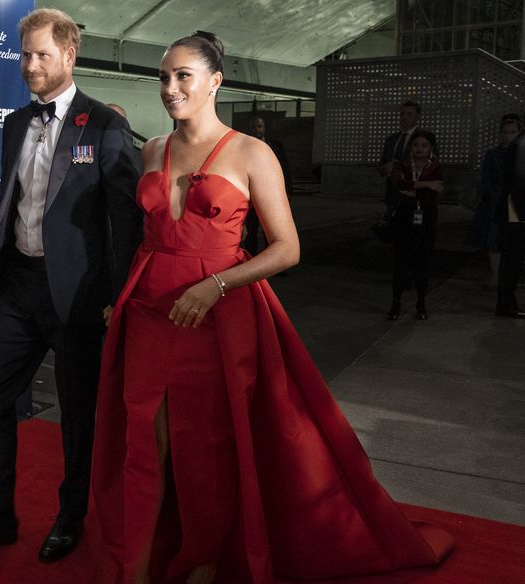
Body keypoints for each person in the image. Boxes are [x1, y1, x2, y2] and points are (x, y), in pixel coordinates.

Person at [91, 32, 454, 584]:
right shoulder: (152, 150)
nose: (169, 87)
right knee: (143, 445)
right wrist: (122, 298)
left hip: (214, 319)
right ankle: (137, 568)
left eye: (182, 75)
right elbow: (148, 240)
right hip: (148, 311)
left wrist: (216, 285)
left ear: (214, 81)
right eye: (163, 77)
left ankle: (204, 564)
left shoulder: (251, 152)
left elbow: (287, 248)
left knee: (204, 451)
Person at [0, 8, 142, 562]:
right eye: (24, 55)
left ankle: (70, 517)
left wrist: (117, 297)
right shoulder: (12, 123)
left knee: (77, 415)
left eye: (41, 56)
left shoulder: (103, 125)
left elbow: (125, 221)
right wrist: (1, 276)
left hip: (79, 297)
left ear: (69, 56)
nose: (29, 66)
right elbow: (14, 206)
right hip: (21, 288)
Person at [387, 130, 444, 321]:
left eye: (424, 145)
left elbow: (434, 193)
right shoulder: (401, 164)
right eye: (416, 145)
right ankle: (395, 303)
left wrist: (415, 187)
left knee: (423, 262)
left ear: (431, 148)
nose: (419, 149)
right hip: (404, 218)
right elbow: (400, 185)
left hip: (426, 219)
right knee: (400, 262)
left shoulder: (436, 167)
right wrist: (426, 185)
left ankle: (421, 303)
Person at [467, 115, 522, 288]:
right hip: (495, 202)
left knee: (513, 242)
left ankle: (508, 277)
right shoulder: (493, 154)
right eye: (505, 132)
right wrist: (496, 197)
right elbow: (486, 179)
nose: (508, 135)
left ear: (519, 133)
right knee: (494, 241)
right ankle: (495, 276)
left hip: (517, 203)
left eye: (512, 132)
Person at [242, 115, 292, 256]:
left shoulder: (275, 145)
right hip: (250, 196)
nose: (256, 129)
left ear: (264, 128)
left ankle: (274, 261)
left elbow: (284, 168)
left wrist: (288, 191)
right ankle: (249, 261)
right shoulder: (242, 146)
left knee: (271, 231)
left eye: (259, 126)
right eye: (253, 126)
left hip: (271, 196)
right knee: (251, 229)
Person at [495, 121, 525, 318]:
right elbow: (519, 183)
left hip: (516, 211)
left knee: (512, 259)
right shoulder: (521, 145)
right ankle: (507, 304)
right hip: (516, 213)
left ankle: (507, 304)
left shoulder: (519, 144)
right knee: (512, 260)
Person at [379, 101, 422, 217]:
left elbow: (430, 167)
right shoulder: (391, 140)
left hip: (415, 196)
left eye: (409, 114)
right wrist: (385, 168)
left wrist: (400, 167)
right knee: (392, 229)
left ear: (418, 116)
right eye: (402, 114)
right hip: (393, 196)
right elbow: (380, 167)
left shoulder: (425, 138)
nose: (404, 117)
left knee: (416, 229)